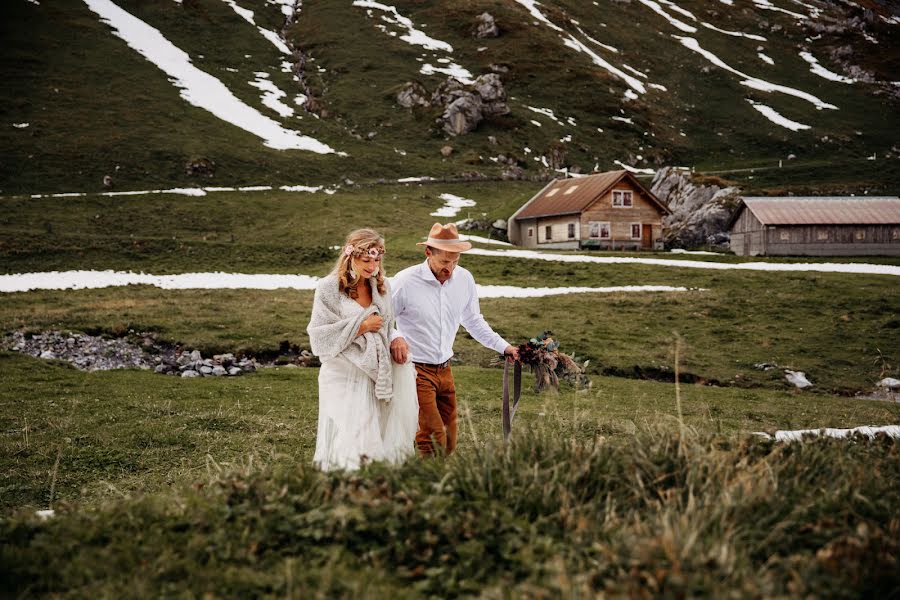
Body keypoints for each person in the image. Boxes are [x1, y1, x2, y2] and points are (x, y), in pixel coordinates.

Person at [390, 223, 519, 456]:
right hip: (415, 371)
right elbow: (380, 316)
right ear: (428, 252)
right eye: (444, 262)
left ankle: (433, 478)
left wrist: (505, 347)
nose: (450, 268)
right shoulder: (404, 281)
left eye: (455, 261)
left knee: (449, 441)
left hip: (446, 371)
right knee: (432, 435)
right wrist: (395, 336)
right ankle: (427, 487)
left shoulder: (464, 279)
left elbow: (474, 321)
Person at [307, 229, 418, 471]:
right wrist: (361, 325)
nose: (372, 265)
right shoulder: (328, 288)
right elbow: (319, 335)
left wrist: (395, 339)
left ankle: (362, 487)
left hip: (373, 372)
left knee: (375, 430)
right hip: (342, 372)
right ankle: (357, 484)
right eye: (365, 260)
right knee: (360, 432)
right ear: (350, 257)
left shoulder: (382, 287)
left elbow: (387, 327)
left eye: (376, 259)